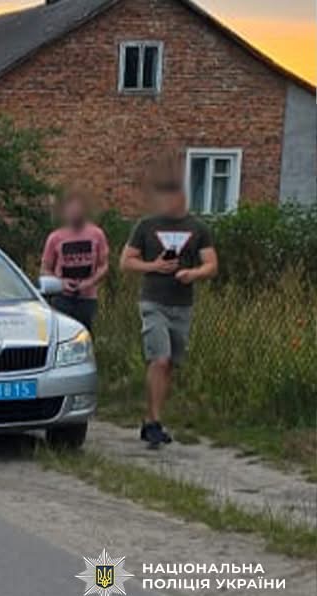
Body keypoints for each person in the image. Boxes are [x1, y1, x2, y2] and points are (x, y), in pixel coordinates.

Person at [120, 157, 218, 449]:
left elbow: (211, 265)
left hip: (182, 304)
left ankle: (151, 417)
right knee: (158, 358)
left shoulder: (198, 227)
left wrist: (193, 273)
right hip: (153, 301)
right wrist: (153, 266)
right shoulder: (146, 226)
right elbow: (126, 262)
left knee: (170, 364)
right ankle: (153, 422)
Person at [40, 190, 109, 331]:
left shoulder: (96, 234)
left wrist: (89, 282)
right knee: (64, 333)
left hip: (87, 298)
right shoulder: (55, 238)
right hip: (62, 298)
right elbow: (45, 269)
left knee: (85, 334)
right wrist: (61, 283)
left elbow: (104, 266)